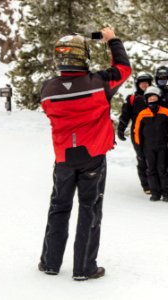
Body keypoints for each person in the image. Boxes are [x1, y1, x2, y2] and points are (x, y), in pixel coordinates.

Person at [38, 27, 131, 280]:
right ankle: (84, 268)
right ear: (84, 57)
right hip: (92, 155)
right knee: (89, 208)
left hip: (64, 157)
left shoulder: (48, 89)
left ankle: (50, 262)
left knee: (58, 207)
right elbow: (124, 68)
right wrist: (112, 40)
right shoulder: (99, 83)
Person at [133, 86, 168, 202]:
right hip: (148, 147)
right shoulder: (142, 114)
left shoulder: (166, 112)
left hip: (163, 146)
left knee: (162, 169)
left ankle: (166, 193)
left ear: (159, 99)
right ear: (146, 100)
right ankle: (155, 192)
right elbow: (137, 132)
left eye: (154, 98)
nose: (152, 100)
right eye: (149, 98)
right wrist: (139, 148)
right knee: (151, 169)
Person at [117, 72, 153, 194]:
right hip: (137, 133)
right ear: (138, 84)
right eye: (142, 82)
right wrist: (121, 129)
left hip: (155, 133)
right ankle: (146, 185)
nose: (144, 85)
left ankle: (157, 182)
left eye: (147, 82)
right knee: (142, 158)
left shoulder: (155, 96)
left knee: (156, 158)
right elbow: (125, 116)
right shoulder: (132, 98)